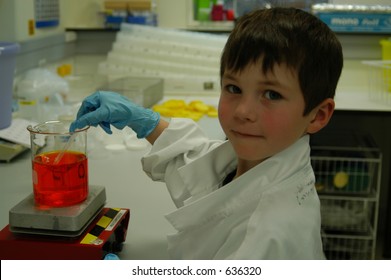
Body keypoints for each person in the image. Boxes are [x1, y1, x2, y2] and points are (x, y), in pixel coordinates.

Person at [70, 7, 343, 259]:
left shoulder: (265, 236)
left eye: (271, 94)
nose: (243, 111)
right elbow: (202, 170)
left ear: (318, 115)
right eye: (233, 88)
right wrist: (143, 120)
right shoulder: (259, 161)